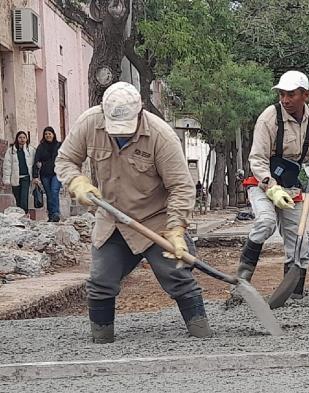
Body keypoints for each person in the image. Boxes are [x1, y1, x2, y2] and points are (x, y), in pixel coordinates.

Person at [55, 82, 212, 343]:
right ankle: (101, 342)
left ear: (139, 113)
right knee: (100, 281)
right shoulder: (89, 124)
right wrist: (76, 181)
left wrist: (175, 230)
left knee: (178, 276)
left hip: (156, 220)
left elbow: (181, 186)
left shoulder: (161, 135)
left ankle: (203, 336)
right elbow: (65, 160)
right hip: (112, 219)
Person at [237, 70, 309, 299]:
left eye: (291, 94)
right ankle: (240, 282)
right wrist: (271, 188)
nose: (285, 99)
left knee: (298, 241)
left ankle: (293, 294)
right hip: (264, 182)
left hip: (291, 184)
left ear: (306, 95)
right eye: (282, 94)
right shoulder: (268, 118)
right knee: (266, 222)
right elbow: (257, 159)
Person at [2, 131, 37, 213]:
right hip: (15, 178)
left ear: (26, 139)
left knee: (24, 198)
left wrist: (35, 176)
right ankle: (20, 215)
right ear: (17, 139)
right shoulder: (11, 151)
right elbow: (7, 166)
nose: (22, 139)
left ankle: (24, 213)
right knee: (18, 198)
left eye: (24, 137)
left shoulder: (30, 150)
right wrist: (6, 180)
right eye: (20, 137)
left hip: (26, 177)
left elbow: (35, 163)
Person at [34, 126, 63, 222]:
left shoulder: (59, 145)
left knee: (54, 192)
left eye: (49, 133)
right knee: (49, 195)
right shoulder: (41, 147)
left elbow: (65, 158)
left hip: (56, 173)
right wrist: (35, 176)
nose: (47, 135)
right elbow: (36, 161)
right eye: (46, 134)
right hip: (45, 174)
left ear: (53, 134)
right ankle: (51, 215)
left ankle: (55, 213)